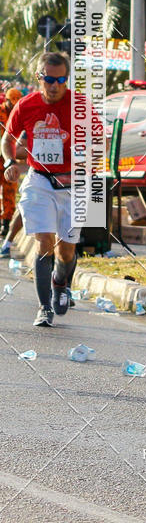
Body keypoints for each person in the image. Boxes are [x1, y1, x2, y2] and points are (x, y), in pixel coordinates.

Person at [2, 53, 79, 327]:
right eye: (49, 79)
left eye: (61, 80)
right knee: (44, 241)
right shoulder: (26, 105)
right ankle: (43, 308)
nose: (55, 85)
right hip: (39, 180)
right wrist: (11, 161)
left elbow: (98, 140)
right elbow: (7, 140)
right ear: (39, 78)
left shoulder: (79, 105)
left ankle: (61, 282)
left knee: (66, 251)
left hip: (71, 184)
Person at [0, 88, 23, 243]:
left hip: (9, 159)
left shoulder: (20, 113)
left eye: (15, 102)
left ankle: (6, 223)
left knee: (9, 191)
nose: (12, 105)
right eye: (11, 102)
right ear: (6, 100)